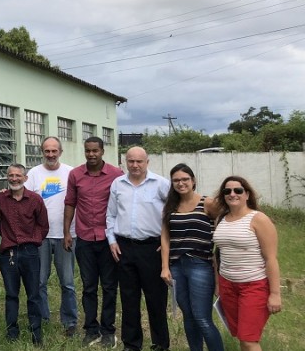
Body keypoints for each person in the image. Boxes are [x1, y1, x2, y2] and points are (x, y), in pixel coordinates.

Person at [106, 146, 170, 351]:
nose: (135, 165)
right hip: (124, 248)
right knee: (129, 298)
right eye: (131, 161)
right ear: (126, 162)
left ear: (147, 162)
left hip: (152, 248)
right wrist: (111, 240)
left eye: (139, 161)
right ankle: (131, 344)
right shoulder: (118, 184)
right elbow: (111, 214)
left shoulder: (161, 184)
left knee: (156, 299)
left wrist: (167, 241)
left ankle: (160, 343)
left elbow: (173, 213)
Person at [63, 136, 123, 348]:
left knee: (109, 287)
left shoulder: (116, 174)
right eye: (88, 150)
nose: (91, 154)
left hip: (109, 240)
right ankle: (90, 329)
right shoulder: (75, 174)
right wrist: (66, 232)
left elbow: (122, 204)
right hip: (85, 239)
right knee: (88, 287)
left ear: (102, 151)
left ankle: (108, 331)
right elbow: (70, 203)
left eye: (95, 150)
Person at [212, 176, 281, 351]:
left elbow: (271, 258)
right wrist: (218, 284)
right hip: (228, 285)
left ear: (247, 194)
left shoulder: (259, 219)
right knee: (241, 337)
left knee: (249, 340)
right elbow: (218, 254)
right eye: (227, 191)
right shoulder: (221, 219)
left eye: (238, 190)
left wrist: (275, 294)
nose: (232, 194)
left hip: (254, 286)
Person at [160, 164, 225, 351]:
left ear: (193, 180)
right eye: (176, 180)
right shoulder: (170, 206)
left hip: (201, 265)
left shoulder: (208, 203)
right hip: (176, 266)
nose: (181, 183)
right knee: (188, 316)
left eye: (185, 179)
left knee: (202, 318)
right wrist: (165, 267)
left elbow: (226, 224)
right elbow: (165, 237)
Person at [25, 137, 77, 336]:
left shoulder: (71, 173)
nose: (51, 154)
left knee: (67, 282)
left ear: (60, 152)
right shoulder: (33, 174)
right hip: (41, 237)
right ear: (42, 152)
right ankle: (42, 318)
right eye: (47, 151)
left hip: (66, 235)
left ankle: (70, 321)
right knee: (40, 281)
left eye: (54, 151)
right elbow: (23, 199)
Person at [0, 163, 50, 345]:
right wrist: (9, 239)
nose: (14, 179)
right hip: (8, 253)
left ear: (25, 178)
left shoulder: (35, 199)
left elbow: (43, 226)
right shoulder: (1, 199)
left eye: (18, 175)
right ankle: (12, 333)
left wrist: (32, 241)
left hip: (30, 252)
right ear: (7, 177)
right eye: (11, 175)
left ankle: (36, 334)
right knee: (11, 294)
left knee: (33, 294)